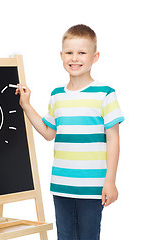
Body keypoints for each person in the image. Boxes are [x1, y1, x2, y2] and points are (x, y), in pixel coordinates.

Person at [15, 24, 124, 240]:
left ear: (95, 57)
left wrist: (110, 181)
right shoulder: (57, 95)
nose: (75, 58)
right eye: (69, 52)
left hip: (92, 186)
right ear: (61, 55)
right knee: (64, 236)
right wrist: (26, 105)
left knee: (88, 236)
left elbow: (113, 139)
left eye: (82, 52)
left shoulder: (105, 94)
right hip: (61, 185)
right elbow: (48, 133)